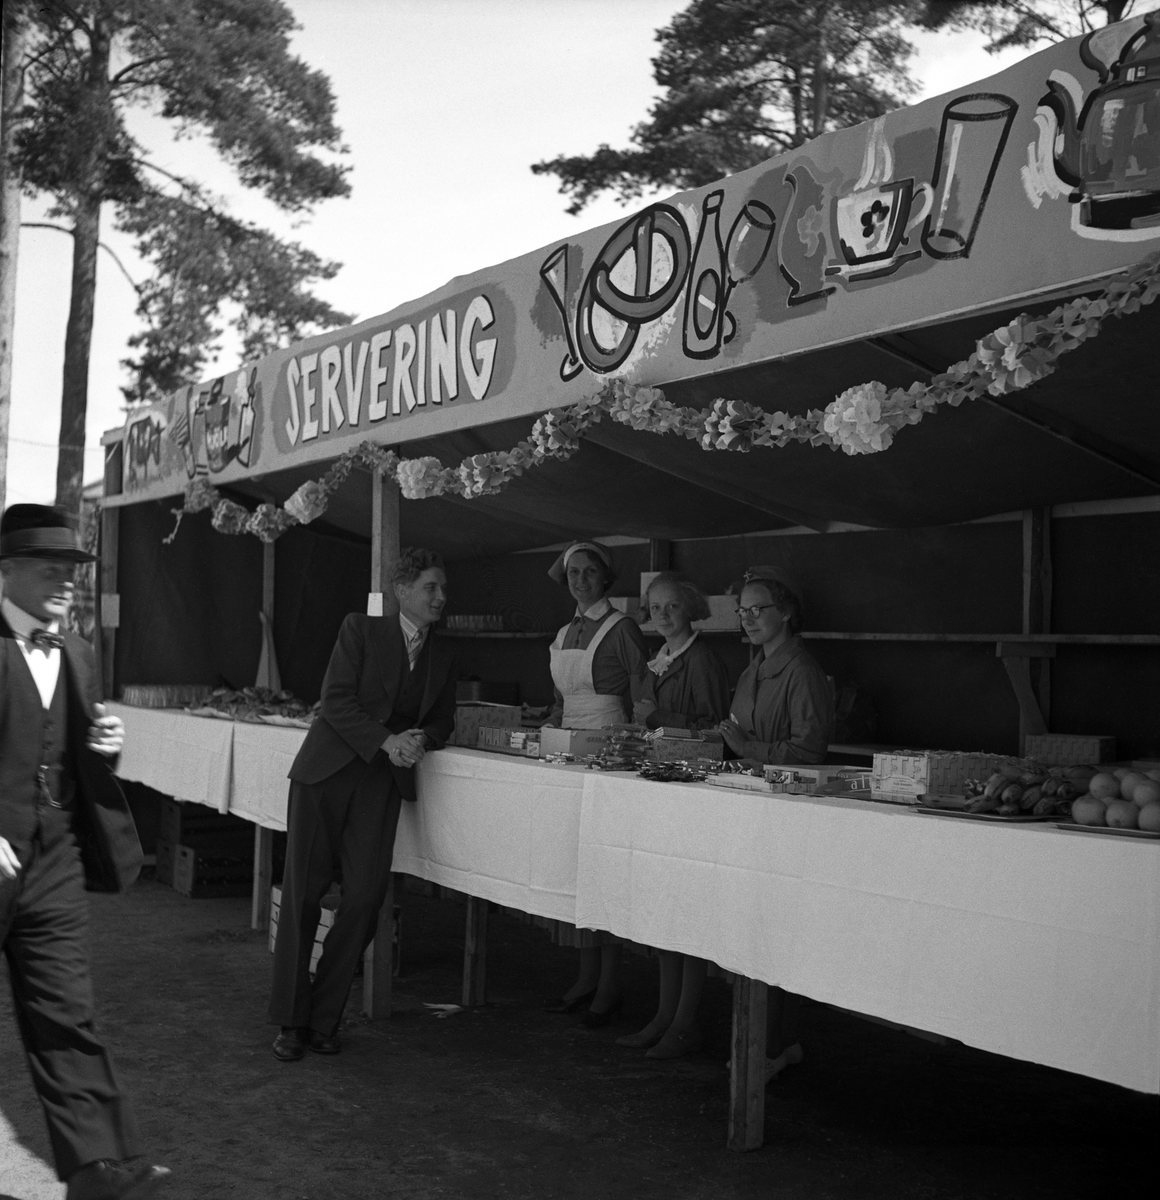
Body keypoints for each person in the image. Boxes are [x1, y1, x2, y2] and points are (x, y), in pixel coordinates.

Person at [0, 504, 170, 1200]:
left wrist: (108, 746)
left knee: (66, 1012)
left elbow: (75, 749)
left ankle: (100, 1168)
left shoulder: (77, 651)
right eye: (51, 568)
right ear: (8, 572)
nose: (67, 580)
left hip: (54, 859)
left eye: (72, 568)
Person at [269, 547, 458, 1061]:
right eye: (431, 587)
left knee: (365, 898)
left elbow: (443, 719)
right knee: (303, 894)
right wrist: (387, 740)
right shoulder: (360, 629)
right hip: (324, 775)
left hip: (380, 786)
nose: (441, 597)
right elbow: (336, 701)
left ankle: (323, 1019)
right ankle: (291, 1021)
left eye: (443, 588)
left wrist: (422, 739)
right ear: (402, 591)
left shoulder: (443, 654)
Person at [718, 565, 834, 1080]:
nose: (748, 618)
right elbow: (736, 735)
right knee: (750, 929)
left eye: (757, 608)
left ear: (785, 612)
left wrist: (749, 748)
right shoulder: (753, 670)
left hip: (787, 816)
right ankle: (766, 1040)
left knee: (775, 933)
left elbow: (809, 751)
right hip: (751, 810)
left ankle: (777, 1044)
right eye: (742, 611)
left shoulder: (801, 671)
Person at [618, 573, 729, 1059]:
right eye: (655, 607)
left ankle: (684, 1022)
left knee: (686, 908)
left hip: (692, 794)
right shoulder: (659, 658)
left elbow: (715, 731)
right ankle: (665, 1015)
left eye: (672, 607)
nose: (662, 615)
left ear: (692, 610)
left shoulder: (701, 660)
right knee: (664, 907)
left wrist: (656, 718)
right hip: (662, 787)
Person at [540, 539, 647, 1028]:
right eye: (573, 573)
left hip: (610, 751)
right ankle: (586, 976)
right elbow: (561, 700)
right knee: (577, 867)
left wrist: (636, 745)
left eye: (589, 572)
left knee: (606, 867)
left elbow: (643, 696)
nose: (580, 581)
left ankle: (609, 983)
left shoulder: (622, 628)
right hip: (568, 749)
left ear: (606, 577)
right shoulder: (565, 632)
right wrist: (551, 721)